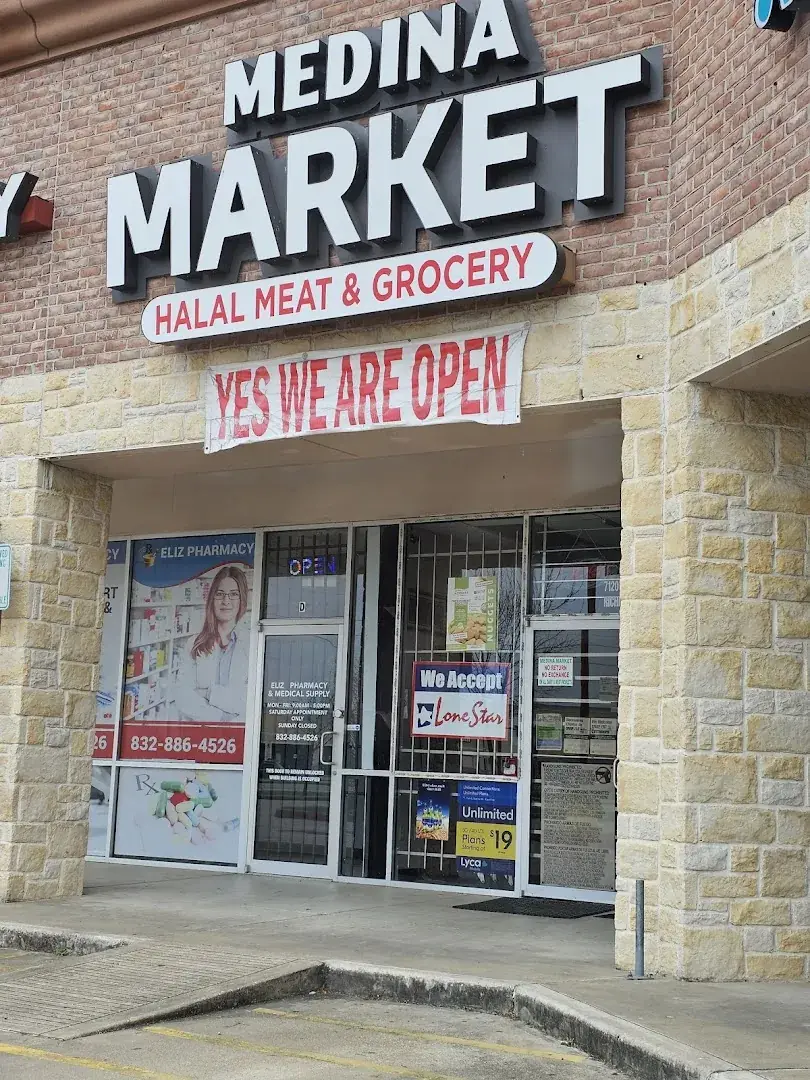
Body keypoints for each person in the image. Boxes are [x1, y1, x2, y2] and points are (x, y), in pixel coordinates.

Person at [174, 565, 251, 723]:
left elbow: (250, 700)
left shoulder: (251, 644)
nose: (226, 601)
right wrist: (220, 718)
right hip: (201, 732)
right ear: (212, 599)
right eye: (220, 594)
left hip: (239, 732)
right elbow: (182, 696)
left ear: (242, 599)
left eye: (233, 594)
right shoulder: (194, 644)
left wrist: (209, 693)